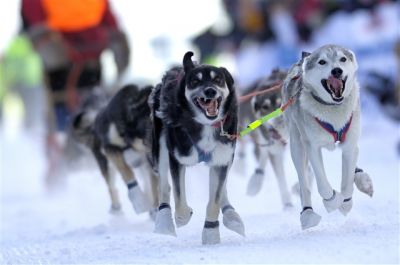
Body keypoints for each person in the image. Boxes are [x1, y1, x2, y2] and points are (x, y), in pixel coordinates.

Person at [20, 0, 130, 185]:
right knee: (76, 105)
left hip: (68, 53)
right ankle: (69, 156)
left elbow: (31, 20)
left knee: (78, 105)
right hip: (72, 53)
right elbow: (110, 23)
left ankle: (79, 154)